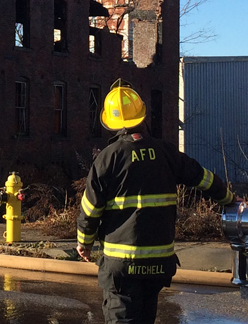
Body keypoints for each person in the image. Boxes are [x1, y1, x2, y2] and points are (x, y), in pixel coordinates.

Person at [77, 82, 234, 323]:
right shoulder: (166, 152)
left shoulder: (108, 159)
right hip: (158, 265)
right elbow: (201, 177)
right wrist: (229, 199)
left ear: (110, 123)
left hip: (122, 266)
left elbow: (91, 208)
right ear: (142, 115)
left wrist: (84, 243)